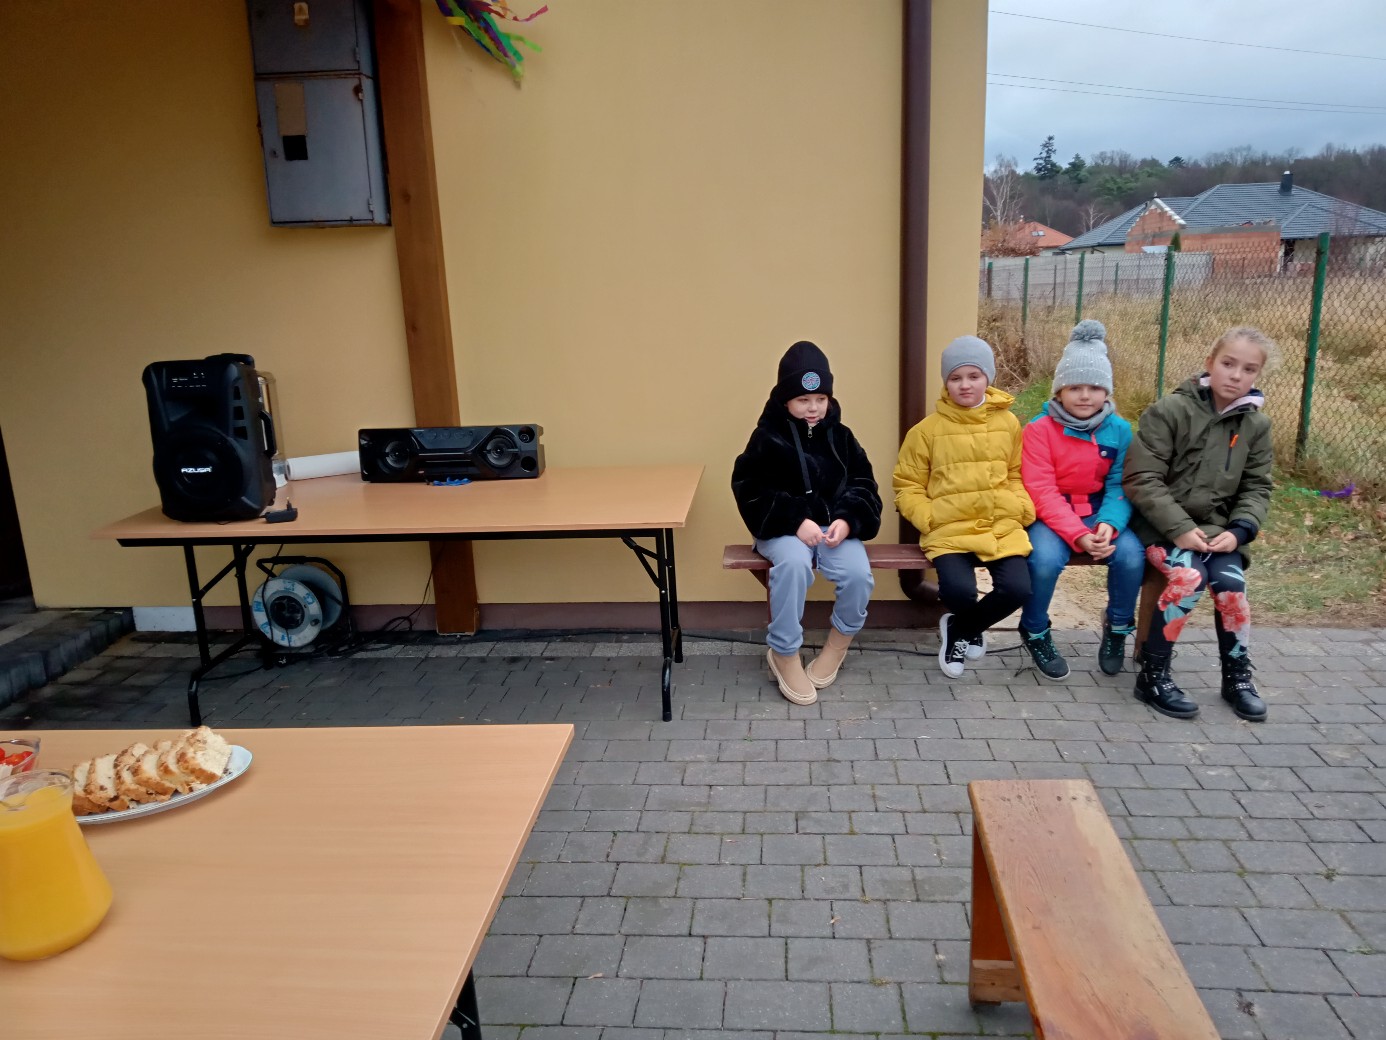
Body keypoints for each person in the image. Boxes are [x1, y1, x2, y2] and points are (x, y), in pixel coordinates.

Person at [1123, 326, 1276, 722]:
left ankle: (1236, 678)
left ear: (1257, 375)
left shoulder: (1256, 426)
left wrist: (1239, 531)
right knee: (1189, 578)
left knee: (1231, 587)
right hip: (1161, 529)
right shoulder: (1170, 411)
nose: (1236, 375)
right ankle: (1153, 675)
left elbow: (1257, 487)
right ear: (1210, 363)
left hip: (1219, 533)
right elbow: (1142, 478)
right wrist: (1177, 528)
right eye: (1228, 364)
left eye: (1248, 369)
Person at [732, 340, 883, 705]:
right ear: (785, 400)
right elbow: (749, 487)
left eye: (820, 399)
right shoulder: (767, 437)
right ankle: (784, 653)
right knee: (794, 565)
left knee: (858, 575)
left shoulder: (842, 437)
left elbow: (864, 484)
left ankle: (837, 645)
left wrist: (847, 520)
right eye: (802, 400)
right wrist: (796, 519)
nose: (813, 408)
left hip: (832, 530)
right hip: (783, 530)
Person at [894, 335, 1034, 678]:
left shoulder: (1008, 424)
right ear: (946, 382)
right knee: (959, 591)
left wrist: (1020, 506)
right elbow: (907, 485)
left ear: (988, 378)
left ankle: (962, 628)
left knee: (1018, 589)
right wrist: (929, 518)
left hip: (999, 524)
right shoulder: (926, 432)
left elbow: (1014, 473)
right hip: (949, 528)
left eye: (974, 376)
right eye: (955, 378)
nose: (965, 385)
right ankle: (968, 624)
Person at [1019, 319, 1145, 680]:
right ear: (1059, 391)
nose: (1085, 395)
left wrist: (1109, 523)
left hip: (1100, 512)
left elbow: (1121, 483)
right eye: (1075, 387)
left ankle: (1118, 626)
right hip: (1052, 516)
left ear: (1107, 392)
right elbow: (1040, 489)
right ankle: (1034, 628)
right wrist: (1077, 534)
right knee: (1043, 561)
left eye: (1095, 387)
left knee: (1131, 556)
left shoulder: (1120, 430)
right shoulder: (1039, 430)